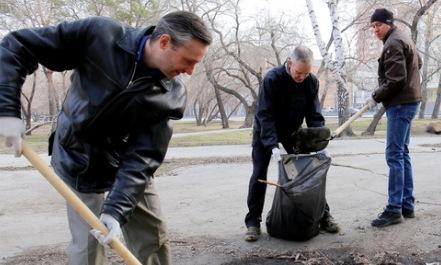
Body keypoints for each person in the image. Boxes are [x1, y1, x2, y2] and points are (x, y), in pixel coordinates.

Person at [0, 11, 211, 264]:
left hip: (126, 163)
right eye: (189, 60)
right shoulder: (100, 35)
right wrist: (7, 113)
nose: (190, 71)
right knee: (88, 246)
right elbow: (17, 46)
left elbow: (142, 157)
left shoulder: (171, 96)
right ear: (164, 42)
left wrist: (115, 211)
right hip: (76, 154)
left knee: (152, 237)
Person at [244, 45, 339, 241]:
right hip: (265, 131)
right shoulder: (272, 79)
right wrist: (272, 145)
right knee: (259, 173)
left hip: (291, 133)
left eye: (306, 73)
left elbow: (314, 115)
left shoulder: (311, 82)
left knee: (306, 174)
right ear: (289, 63)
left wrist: (321, 144)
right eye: (298, 72)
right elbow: (264, 114)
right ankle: (253, 222)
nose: (302, 77)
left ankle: (323, 216)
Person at [367, 8, 423, 228]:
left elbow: (396, 79)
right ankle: (406, 205)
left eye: (378, 25)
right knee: (402, 153)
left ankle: (393, 210)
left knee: (394, 155)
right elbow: (418, 63)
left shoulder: (393, 43)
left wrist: (376, 95)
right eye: (372, 26)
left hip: (400, 105)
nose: (375, 30)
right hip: (409, 102)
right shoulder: (403, 37)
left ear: (388, 23)